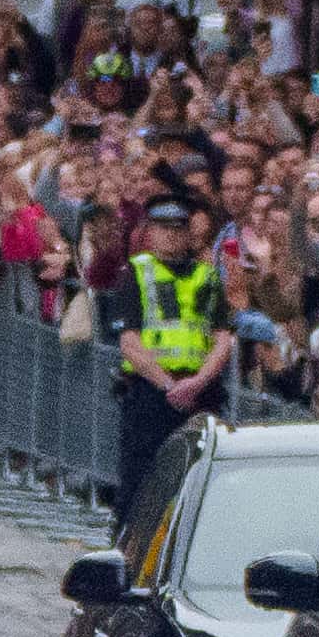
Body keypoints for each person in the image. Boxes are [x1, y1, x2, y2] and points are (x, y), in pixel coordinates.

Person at [109, 197, 229, 540]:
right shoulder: (135, 272)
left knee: (199, 477)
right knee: (139, 477)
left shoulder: (207, 276)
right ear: (149, 233)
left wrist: (199, 381)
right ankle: (126, 551)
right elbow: (129, 341)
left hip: (199, 391)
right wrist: (167, 385)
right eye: (164, 229)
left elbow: (222, 338)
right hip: (151, 391)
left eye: (179, 230)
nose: (171, 237)